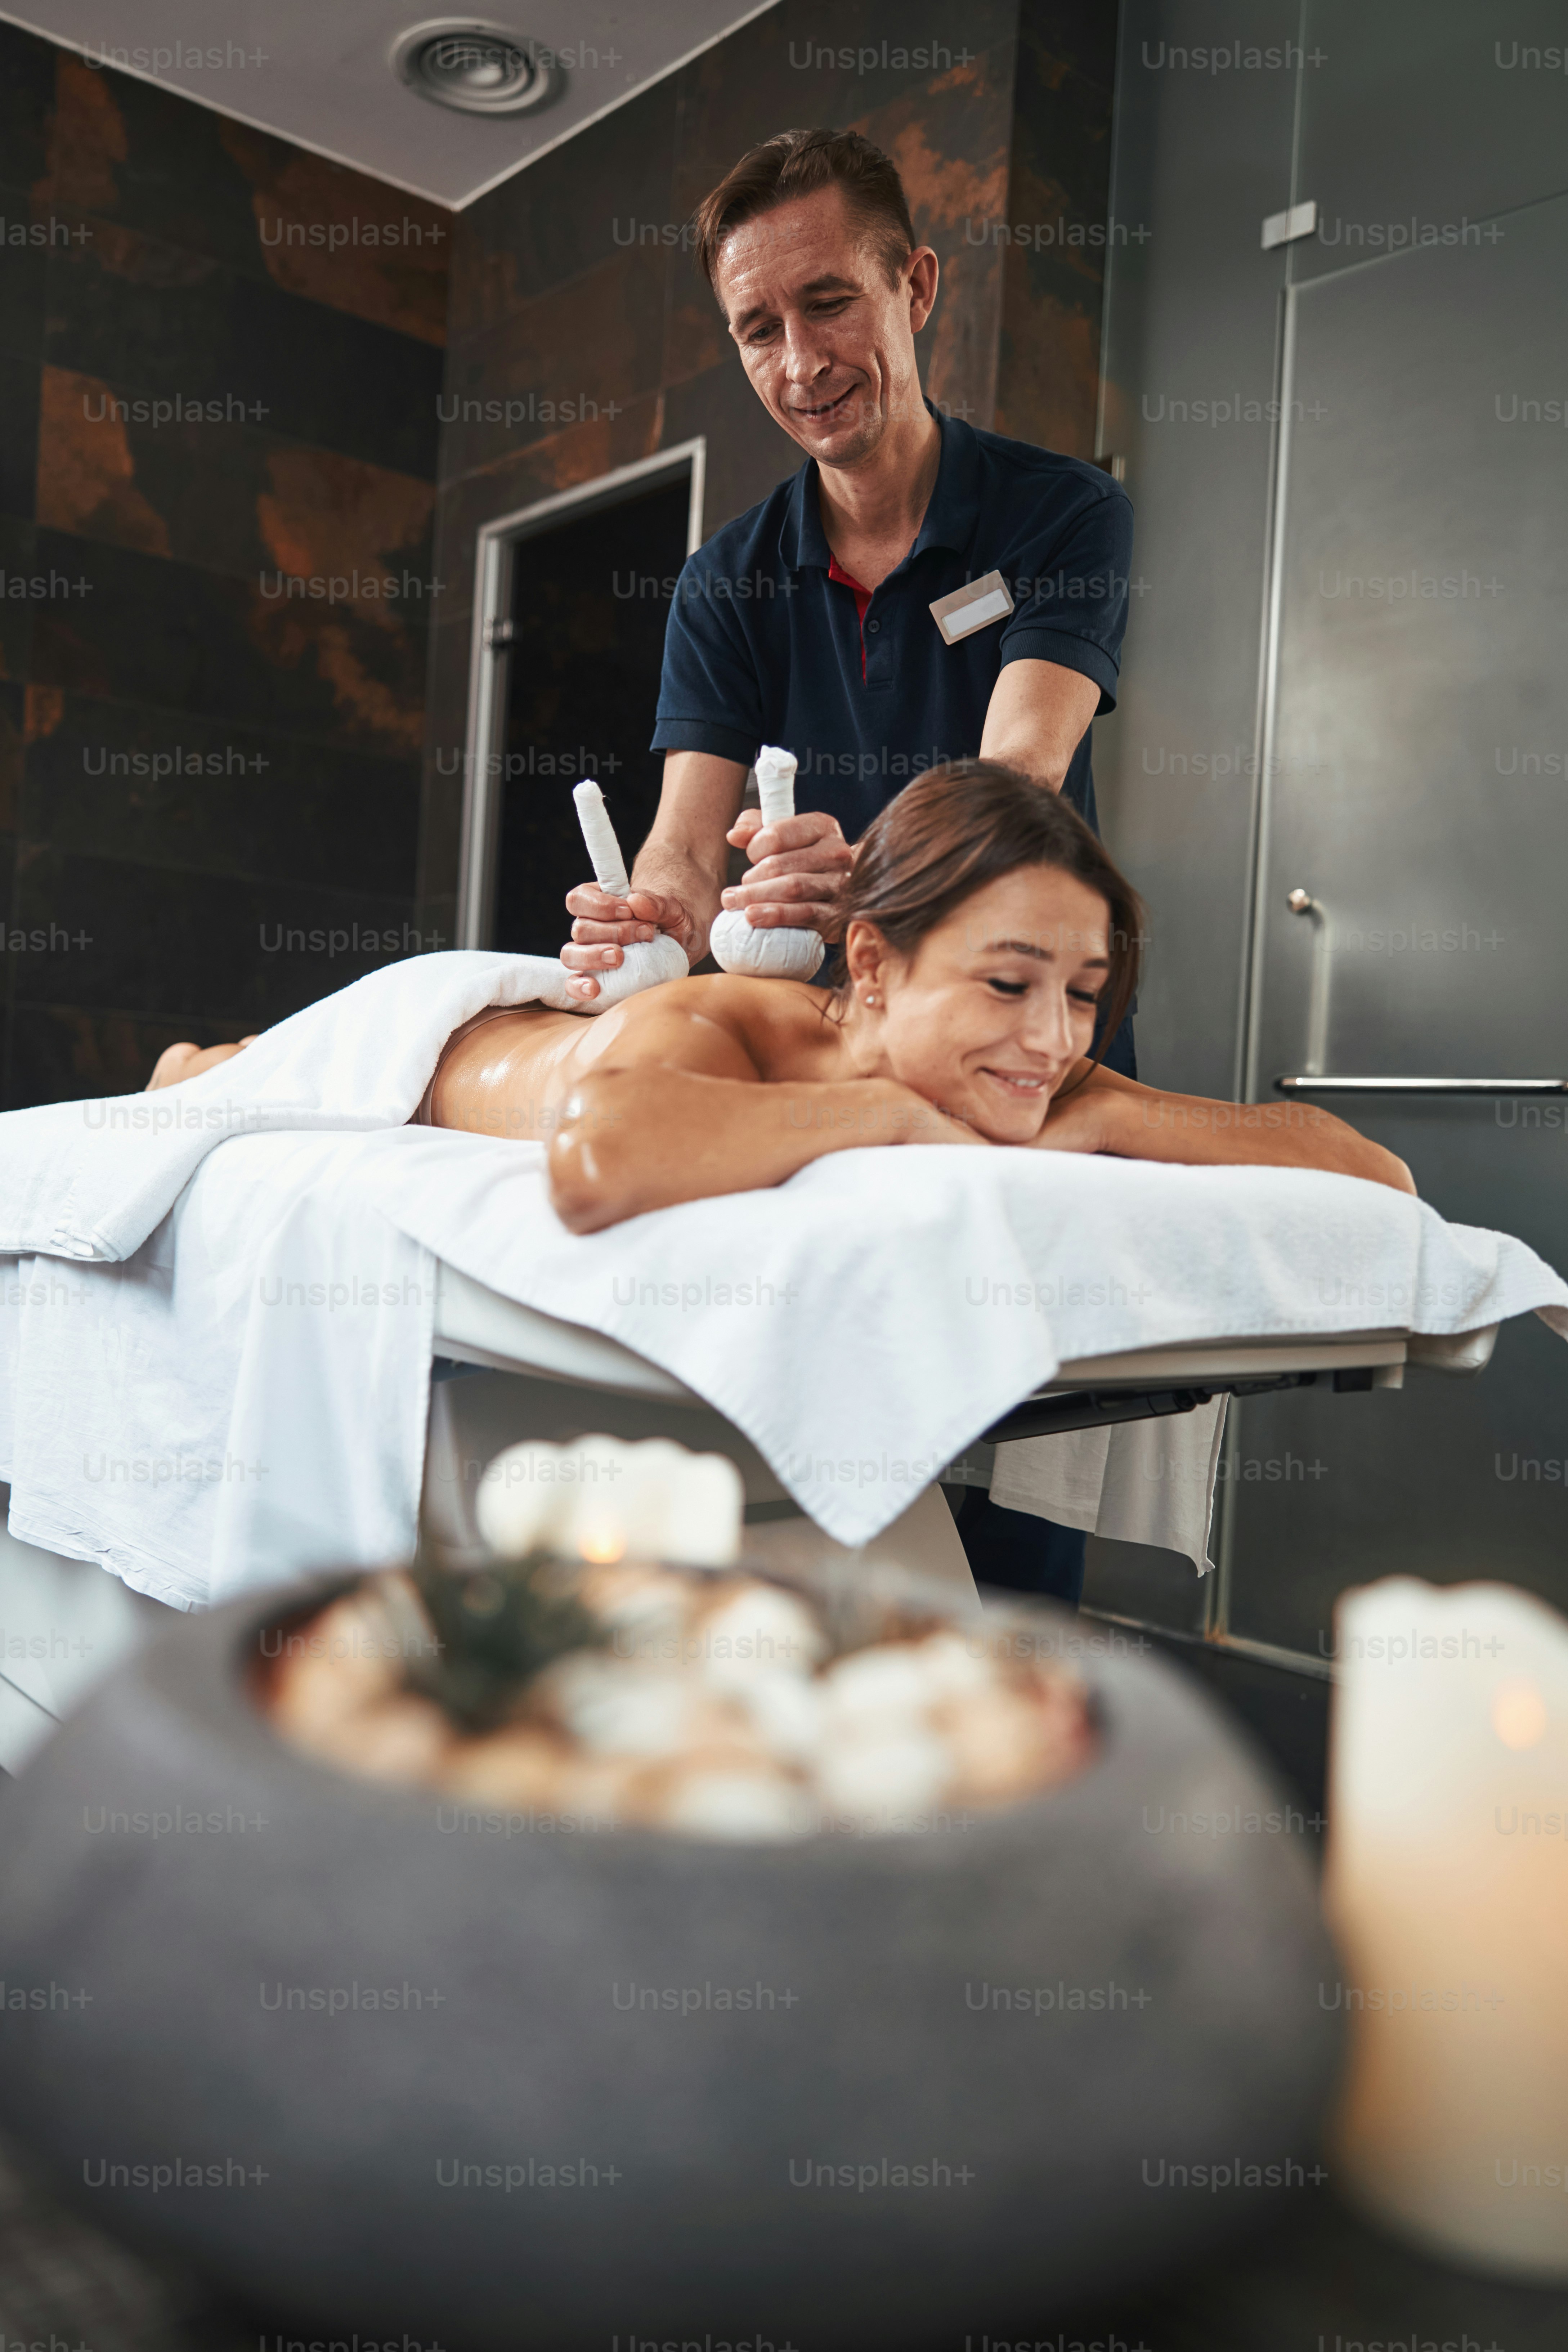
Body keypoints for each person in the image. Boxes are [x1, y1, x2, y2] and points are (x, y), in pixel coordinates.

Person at [559, 125, 1139, 1601]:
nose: (799, 360)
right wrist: (646, 912)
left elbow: (1024, 777)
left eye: (829, 303)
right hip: (828, 1070)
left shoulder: (1058, 515)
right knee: (811, 1517)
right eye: (758, 327)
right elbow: (691, 846)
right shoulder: (729, 580)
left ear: (915, 286)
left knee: (1007, 1542)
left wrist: (863, 873)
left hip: (1017, 1050)